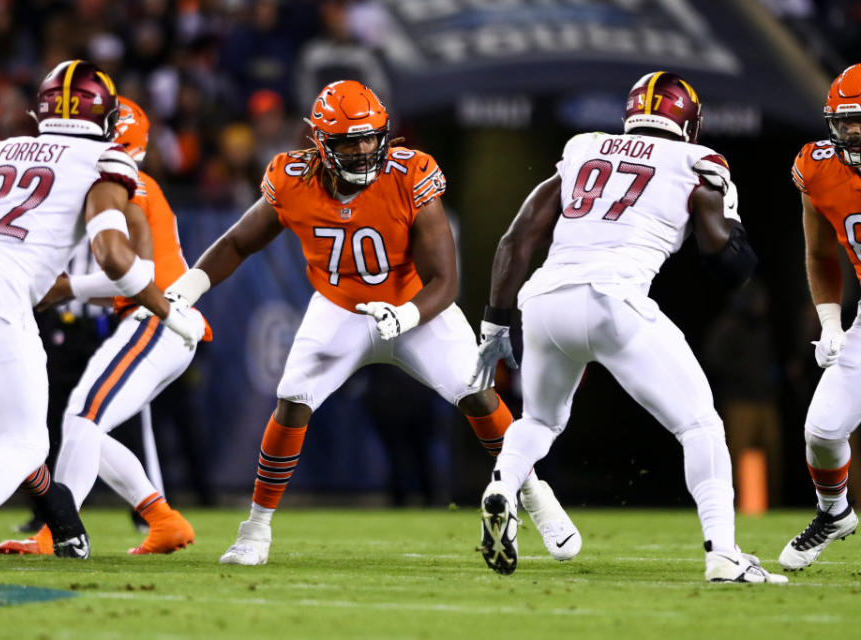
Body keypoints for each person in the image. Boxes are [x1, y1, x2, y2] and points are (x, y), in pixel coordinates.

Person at [158, 80, 581, 566]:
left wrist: (405, 315)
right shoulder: (293, 178)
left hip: (416, 307)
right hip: (339, 308)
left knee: (478, 391)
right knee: (292, 400)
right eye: (347, 141)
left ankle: (533, 493)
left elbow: (445, 281)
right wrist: (190, 287)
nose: (362, 151)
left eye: (369, 138)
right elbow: (237, 243)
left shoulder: (409, 173)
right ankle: (254, 530)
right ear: (320, 143)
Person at [471, 71, 786, 584]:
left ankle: (503, 485)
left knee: (541, 422)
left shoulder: (585, 147)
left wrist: (494, 325)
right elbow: (723, 261)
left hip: (546, 301)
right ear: (689, 121)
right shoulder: (696, 161)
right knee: (700, 426)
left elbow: (518, 238)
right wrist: (732, 229)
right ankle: (724, 554)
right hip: (614, 299)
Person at [0, 60, 203, 584]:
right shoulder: (107, 159)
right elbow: (112, 255)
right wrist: (170, 311)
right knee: (26, 446)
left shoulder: (1, 151)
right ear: (105, 114)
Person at [0, 97, 208, 556]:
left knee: (82, 418)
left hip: (158, 317)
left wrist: (64, 286)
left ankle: (59, 533)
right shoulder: (126, 181)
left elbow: (138, 274)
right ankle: (162, 519)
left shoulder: (128, 185)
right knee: (87, 425)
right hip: (153, 318)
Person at [778, 63, 861, 570]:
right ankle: (834, 512)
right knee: (824, 431)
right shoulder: (818, 167)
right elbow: (820, 255)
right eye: (844, 120)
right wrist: (831, 321)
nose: (851, 130)